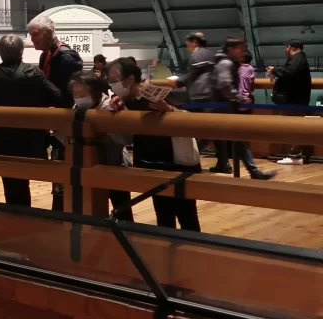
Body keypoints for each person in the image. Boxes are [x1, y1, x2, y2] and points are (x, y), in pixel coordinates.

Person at [108, 57, 201, 231]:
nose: (112, 84)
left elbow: (189, 118)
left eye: (114, 80)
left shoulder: (154, 93)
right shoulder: (125, 101)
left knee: (187, 216)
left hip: (175, 164)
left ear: (129, 79)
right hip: (150, 164)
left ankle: (195, 252)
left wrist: (168, 110)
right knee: (163, 216)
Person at [0, 35, 62, 207]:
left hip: (3, 138)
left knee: (11, 183)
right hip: (31, 137)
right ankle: (25, 215)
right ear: (22, 51)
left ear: (0, 52)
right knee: (24, 177)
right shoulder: (35, 73)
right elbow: (56, 96)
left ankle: (17, 216)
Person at [29, 15, 83, 210]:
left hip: (66, 122)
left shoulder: (66, 57)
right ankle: (59, 211)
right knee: (57, 170)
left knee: (66, 168)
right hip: (54, 120)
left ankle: (67, 212)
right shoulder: (47, 55)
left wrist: (40, 82)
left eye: (35, 35)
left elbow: (69, 96)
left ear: (49, 32)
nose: (32, 39)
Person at [65, 72, 133, 220]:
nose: (78, 97)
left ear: (94, 92)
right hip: (87, 165)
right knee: (90, 207)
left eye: (82, 93)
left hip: (114, 163)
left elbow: (126, 138)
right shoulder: (76, 107)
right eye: (75, 93)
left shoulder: (111, 106)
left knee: (121, 207)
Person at [213, 38, 276, 180]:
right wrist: (240, 98)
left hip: (225, 109)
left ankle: (254, 172)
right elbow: (225, 85)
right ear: (231, 49)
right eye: (240, 48)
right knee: (205, 137)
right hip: (221, 109)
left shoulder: (231, 64)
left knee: (238, 140)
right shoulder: (226, 63)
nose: (243, 51)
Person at [269, 39, 313, 165]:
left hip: (294, 101)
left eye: (285, 48)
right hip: (296, 101)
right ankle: (295, 155)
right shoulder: (299, 59)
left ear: (290, 47)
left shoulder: (297, 59)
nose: (284, 50)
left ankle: (295, 156)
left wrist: (274, 71)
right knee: (293, 128)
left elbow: (288, 73)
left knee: (292, 128)